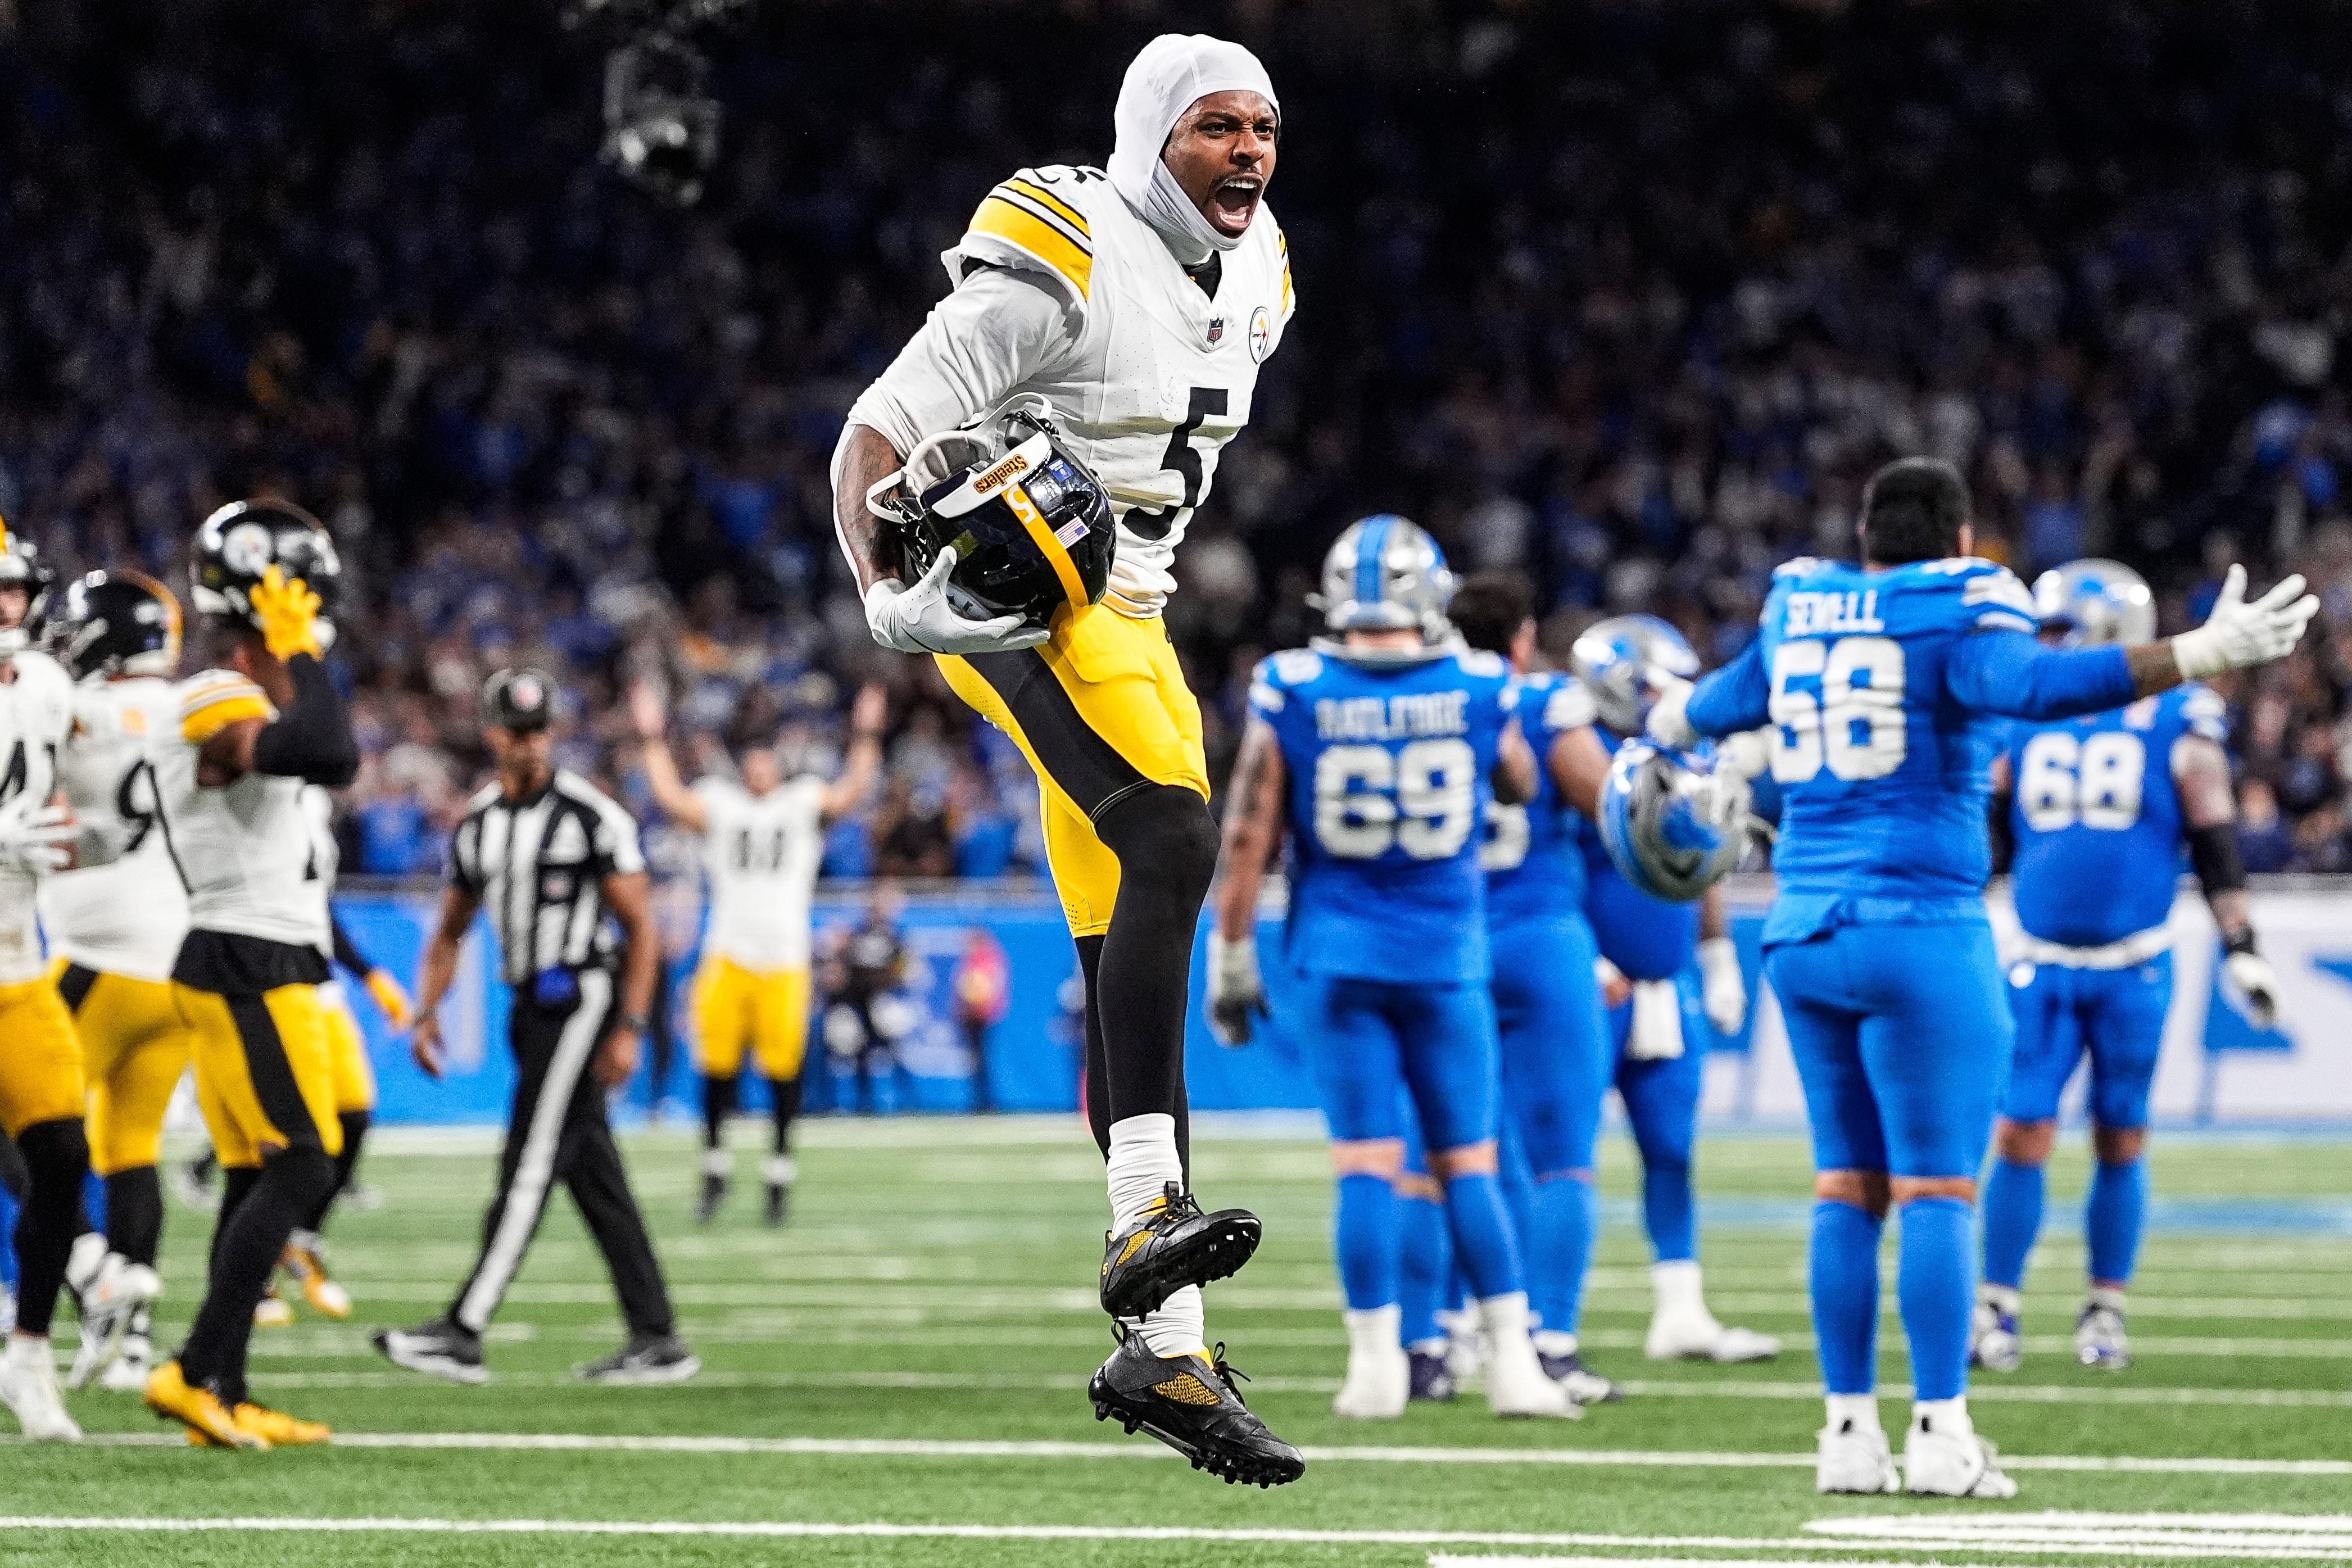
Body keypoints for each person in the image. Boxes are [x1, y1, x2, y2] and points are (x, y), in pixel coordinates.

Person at [1652, 456, 2317, 1498]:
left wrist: (1680, 737)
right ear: (1963, 542)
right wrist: (2201, 652)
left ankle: (1845, 1438)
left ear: (1867, 538)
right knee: (1936, 1189)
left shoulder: (1799, 607)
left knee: (1844, 1186)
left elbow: (1703, 712)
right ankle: (1941, 1433)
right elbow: (2039, 686)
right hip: (1920, 927)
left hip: (1801, 933)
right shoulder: (1961, 606)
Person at [830, 31, 1300, 1484]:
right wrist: (883, 583)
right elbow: (876, 430)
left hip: (1131, 608)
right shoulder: (1063, 240)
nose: (1246, 151)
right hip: (1013, 594)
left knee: (1130, 943)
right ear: (1149, 132)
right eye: (1215, 126)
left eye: (1263, 128)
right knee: (1167, 834)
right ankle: (1150, 1234)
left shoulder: (1267, 269)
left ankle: (1163, 1342)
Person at [1209, 516, 1575, 1422]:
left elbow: (1251, 827)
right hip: (1446, 957)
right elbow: (1521, 785)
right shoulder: (1482, 683)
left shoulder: (1294, 687)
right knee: (1471, 1165)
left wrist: (1231, 950)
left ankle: (1375, 1365)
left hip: (1337, 955)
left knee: (1367, 1166)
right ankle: (1515, 1367)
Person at [1974, 560, 2281, 1375]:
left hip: (2133, 963)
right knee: (2019, 1129)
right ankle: (1995, 1302)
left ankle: (2104, 1302)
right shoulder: (2022, 719)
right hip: (2038, 958)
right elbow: (1988, 837)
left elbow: (2214, 838)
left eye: (2058, 629)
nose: (2042, 645)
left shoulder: (2179, 714)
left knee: (2120, 1134)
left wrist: (2241, 946)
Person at [374, 668, 695, 1387]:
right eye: (517, 733)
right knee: (594, 1178)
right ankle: (658, 1334)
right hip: (530, 1007)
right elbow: (450, 930)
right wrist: (426, 1013)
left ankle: (464, 1328)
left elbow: (641, 930)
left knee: (527, 1163)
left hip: (581, 998)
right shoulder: (483, 823)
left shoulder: (590, 815)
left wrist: (631, 1026)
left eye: (540, 730)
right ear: (493, 735)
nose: (529, 745)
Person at [139, 500, 359, 1450]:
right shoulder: (209, 696)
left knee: (251, 1173)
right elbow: (330, 752)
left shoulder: (250, 694)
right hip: (236, 954)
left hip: (266, 957)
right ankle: (189, 1371)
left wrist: (296, 658)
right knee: (303, 1162)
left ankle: (220, 1388)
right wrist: (299, 654)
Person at [1570, 615, 1783, 1368]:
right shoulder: (1576, 746)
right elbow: (1544, 872)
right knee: (1554, 1159)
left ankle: (1681, 1310)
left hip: (1664, 985)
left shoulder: (1678, 753)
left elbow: (1699, 860)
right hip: (1592, 985)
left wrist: (1718, 952)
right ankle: (1520, 1324)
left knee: (1671, 1151)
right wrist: (1580, 958)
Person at [1443, 572, 1623, 1407]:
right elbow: (1626, 814)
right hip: (1544, 938)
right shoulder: (1548, 702)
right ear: (1521, 636)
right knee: (1563, 1162)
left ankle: (1437, 1337)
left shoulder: (1427, 692)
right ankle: (1549, 1339)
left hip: (1451, 942)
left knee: (1453, 1157)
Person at [631, 681, 884, 1225]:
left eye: (768, 765)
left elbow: (852, 790)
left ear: (779, 769)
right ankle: (715, 1167)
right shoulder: (722, 805)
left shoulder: (801, 803)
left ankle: (777, 1173)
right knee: (717, 1068)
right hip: (727, 952)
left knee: (781, 1071)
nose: (761, 773)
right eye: (754, 765)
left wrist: (866, 732)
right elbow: (670, 798)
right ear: (745, 769)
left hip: (784, 958)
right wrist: (651, 737)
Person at [40, 569, 192, 1394]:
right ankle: (133, 1339)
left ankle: (91, 1268)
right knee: (130, 1146)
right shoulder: (198, 707)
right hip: (176, 963)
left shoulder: (74, 705)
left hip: (98, 952)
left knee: (21, 1117)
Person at [0, 530, 97, 1440]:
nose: (7, 609)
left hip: (17, 971)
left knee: (63, 1157)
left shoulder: (47, 687)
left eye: (15, 592)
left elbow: (79, 792)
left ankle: (28, 1353)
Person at [256, 783, 412, 1325]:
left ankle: (301, 1240)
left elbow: (316, 907)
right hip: (272, 983)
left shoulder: (313, 804)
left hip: (320, 986)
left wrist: (369, 975)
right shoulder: (254, 798)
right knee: (287, 1140)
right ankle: (255, 1274)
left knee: (354, 1115)